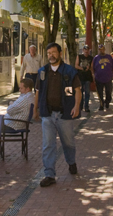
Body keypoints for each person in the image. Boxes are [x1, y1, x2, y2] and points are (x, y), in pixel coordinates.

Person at [33, 42, 82, 187]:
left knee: (68, 143)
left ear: (60, 54)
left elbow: (78, 90)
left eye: (54, 52)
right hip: (47, 114)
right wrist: (35, 109)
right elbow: (37, 92)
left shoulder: (69, 71)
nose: (51, 55)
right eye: (48, 53)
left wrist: (77, 106)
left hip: (64, 113)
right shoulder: (42, 71)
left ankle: (71, 162)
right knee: (48, 144)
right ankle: (49, 174)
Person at [91, 44, 113, 111]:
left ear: (104, 49)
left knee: (109, 91)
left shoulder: (109, 57)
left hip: (108, 77)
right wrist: (93, 75)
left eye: (102, 49)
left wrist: (112, 74)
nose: (101, 50)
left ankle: (107, 101)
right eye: (100, 49)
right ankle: (101, 104)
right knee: (100, 92)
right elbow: (92, 67)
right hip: (99, 77)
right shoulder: (96, 58)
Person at [75, 45, 94, 113]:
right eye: (85, 50)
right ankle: (80, 106)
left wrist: (90, 69)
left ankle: (86, 106)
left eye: (87, 50)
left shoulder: (91, 58)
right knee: (80, 92)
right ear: (83, 50)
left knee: (87, 93)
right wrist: (82, 68)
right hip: (80, 77)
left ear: (89, 51)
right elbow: (76, 65)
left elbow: (92, 67)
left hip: (88, 77)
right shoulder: (79, 56)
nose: (86, 51)